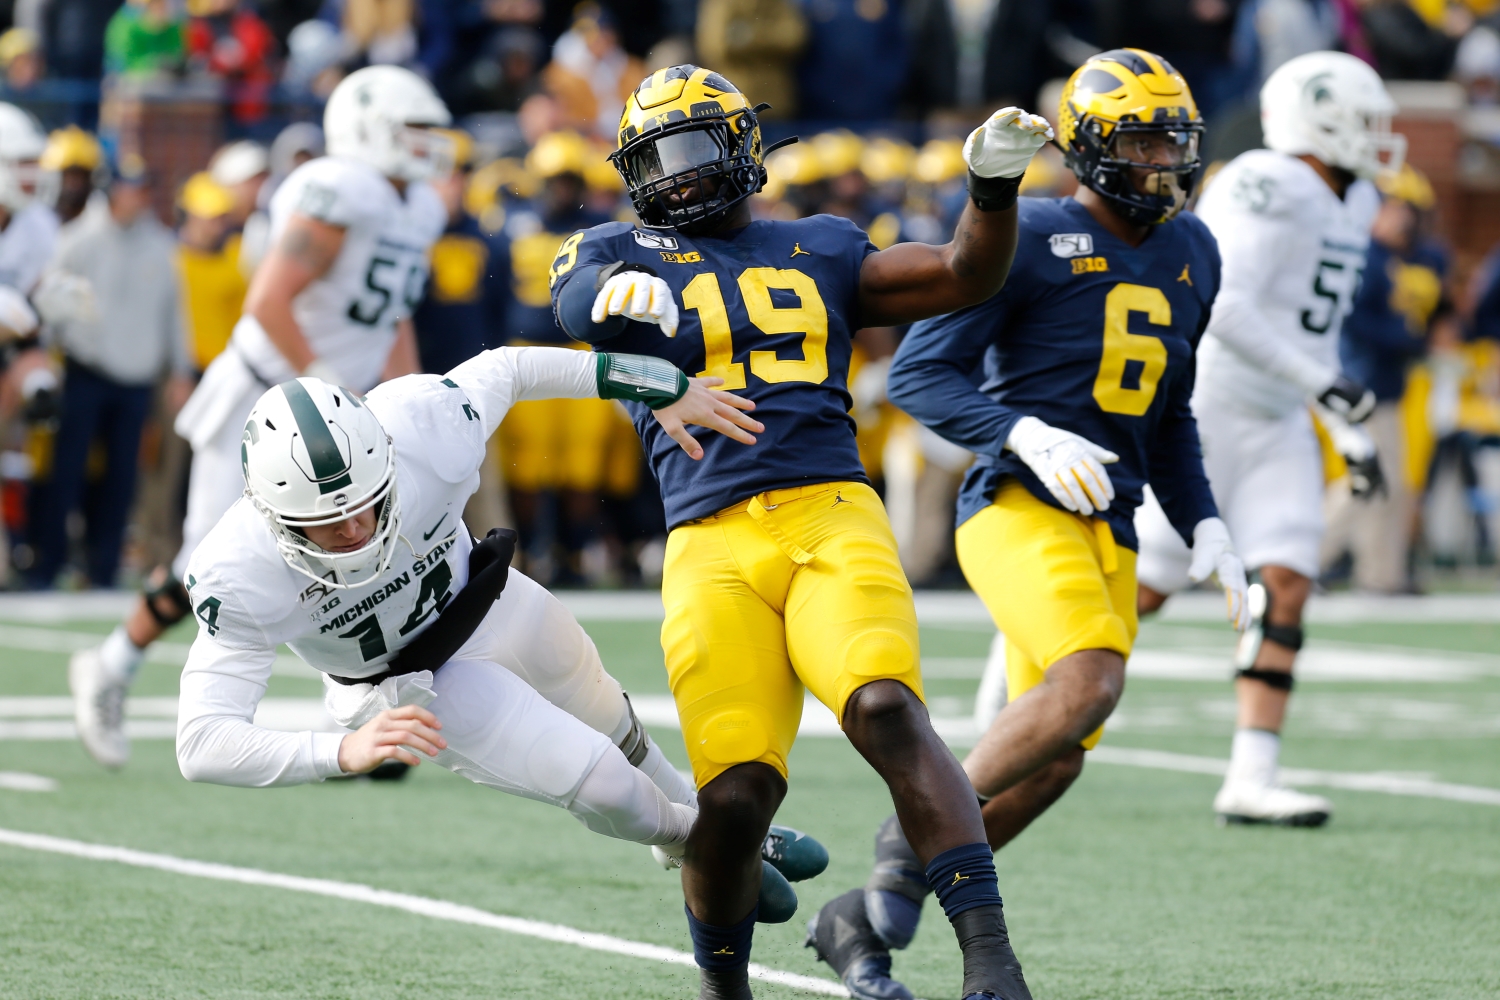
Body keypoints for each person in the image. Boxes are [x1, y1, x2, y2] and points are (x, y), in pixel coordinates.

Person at [549, 64, 1051, 1000]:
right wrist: (613, 303)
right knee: (735, 796)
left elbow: (962, 272)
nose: (682, 175)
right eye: (660, 158)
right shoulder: (614, 247)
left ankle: (993, 965)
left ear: (744, 147)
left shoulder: (820, 244)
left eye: (699, 150)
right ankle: (722, 986)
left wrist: (992, 190)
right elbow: (576, 304)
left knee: (887, 709)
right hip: (708, 541)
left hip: (829, 509)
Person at [803, 49, 1250, 1000]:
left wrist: (1205, 524)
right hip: (1017, 503)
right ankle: (899, 842)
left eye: (1175, 137)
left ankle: (869, 915)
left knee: (1055, 765)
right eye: (1139, 138)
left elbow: (1169, 415)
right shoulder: (1034, 232)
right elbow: (921, 372)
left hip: (1113, 522)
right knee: (1090, 682)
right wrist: (1024, 430)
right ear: (1087, 148)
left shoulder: (1194, 250)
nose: (1163, 158)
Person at [173, 347, 802, 902]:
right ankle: (710, 842)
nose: (355, 529)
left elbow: (512, 368)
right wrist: (338, 752)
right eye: (327, 522)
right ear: (273, 517)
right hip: (412, 682)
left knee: (610, 714)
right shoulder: (240, 569)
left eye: (368, 501)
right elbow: (201, 744)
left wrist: (644, 380)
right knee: (606, 784)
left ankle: (695, 828)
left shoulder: (421, 424)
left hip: (489, 597)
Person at [69, 65, 452, 770]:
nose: (429, 145)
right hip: (268, 401)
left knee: (364, 549)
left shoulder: (418, 206)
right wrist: (330, 383)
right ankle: (110, 667)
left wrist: (406, 393)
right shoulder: (342, 191)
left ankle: (363, 709)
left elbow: (391, 314)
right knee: (204, 571)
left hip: (331, 407)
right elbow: (269, 302)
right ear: (367, 130)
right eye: (413, 131)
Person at [1133, 51, 1401, 827]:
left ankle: (1252, 774)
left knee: (1286, 583)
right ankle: (1018, 689)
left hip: (1279, 414)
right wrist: (1325, 392)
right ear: (1316, 115)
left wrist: (1339, 428)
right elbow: (1225, 302)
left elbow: (1309, 333)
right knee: (1143, 590)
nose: (1377, 137)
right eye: (1364, 119)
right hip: (1210, 405)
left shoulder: (1352, 201)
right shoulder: (1267, 181)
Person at [28, 155, 189, 589]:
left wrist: (180, 368)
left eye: (145, 187)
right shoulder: (79, 238)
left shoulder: (160, 242)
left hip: (137, 379)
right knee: (68, 471)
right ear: (113, 189)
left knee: (122, 478)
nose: (141, 196)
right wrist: (46, 357)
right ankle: (48, 563)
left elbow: (175, 311)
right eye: (133, 187)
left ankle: (102, 569)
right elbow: (50, 299)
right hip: (86, 369)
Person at [492, 129, 614, 584]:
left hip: (583, 352)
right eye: (554, 179)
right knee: (527, 469)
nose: (562, 188)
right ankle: (530, 555)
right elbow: (494, 291)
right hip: (526, 352)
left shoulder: (600, 229)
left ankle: (574, 555)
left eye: (569, 179)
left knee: (582, 468)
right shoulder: (510, 226)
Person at [1321, 163, 1447, 593]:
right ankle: (1299, 558)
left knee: (1383, 485)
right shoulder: (1367, 258)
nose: (1405, 219)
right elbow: (1357, 324)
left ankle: (1380, 574)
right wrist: (1409, 339)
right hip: (1363, 384)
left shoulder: (1391, 257)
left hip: (1380, 385)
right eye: (1397, 208)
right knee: (1367, 480)